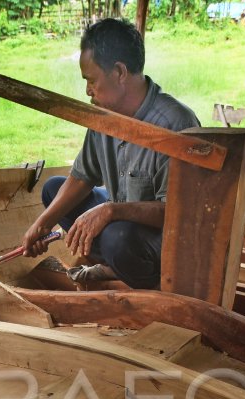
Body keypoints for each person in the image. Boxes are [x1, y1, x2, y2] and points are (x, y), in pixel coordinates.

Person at [20, 18, 200, 288]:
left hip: (164, 242)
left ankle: (146, 282)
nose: (87, 91)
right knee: (53, 189)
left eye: (91, 80)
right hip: (121, 225)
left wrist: (111, 211)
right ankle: (115, 266)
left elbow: (176, 214)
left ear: (119, 72)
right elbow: (83, 177)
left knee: (118, 238)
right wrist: (43, 224)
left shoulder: (176, 125)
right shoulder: (105, 117)